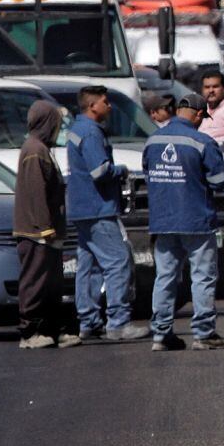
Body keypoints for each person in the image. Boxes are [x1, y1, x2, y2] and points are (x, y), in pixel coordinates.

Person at [143, 93, 224, 350]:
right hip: (196, 219)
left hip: (163, 220)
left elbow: (149, 175)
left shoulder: (153, 140)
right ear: (199, 115)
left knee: (165, 277)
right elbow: (218, 181)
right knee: (202, 276)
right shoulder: (202, 142)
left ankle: (161, 334)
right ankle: (204, 334)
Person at [64, 84, 142, 343]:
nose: (109, 106)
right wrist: (121, 170)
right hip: (98, 207)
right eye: (105, 102)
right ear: (92, 105)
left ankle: (88, 321)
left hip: (82, 208)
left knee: (89, 265)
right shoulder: (91, 132)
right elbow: (99, 171)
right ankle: (118, 323)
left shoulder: (77, 129)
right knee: (118, 261)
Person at [13, 99, 76, 349]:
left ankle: (52, 329)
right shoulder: (34, 150)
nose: (58, 128)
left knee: (52, 283)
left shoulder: (42, 148)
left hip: (48, 231)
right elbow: (36, 193)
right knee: (35, 282)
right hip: (36, 232)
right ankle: (30, 332)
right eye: (56, 123)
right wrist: (45, 227)